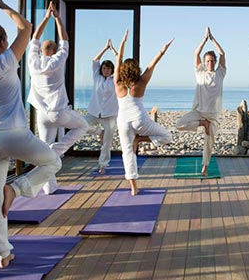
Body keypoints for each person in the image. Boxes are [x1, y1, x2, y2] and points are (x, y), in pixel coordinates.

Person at [0, 0, 61, 268]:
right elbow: (27, 27)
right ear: (2, 43)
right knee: (52, 162)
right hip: (15, 135)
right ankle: (17, 189)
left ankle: (2, 253)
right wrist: (2, 5)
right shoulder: (7, 60)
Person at [28, 1, 88, 194]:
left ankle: (49, 187)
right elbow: (65, 41)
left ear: (40, 51)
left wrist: (45, 18)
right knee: (83, 126)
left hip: (42, 114)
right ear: (53, 51)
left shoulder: (33, 62)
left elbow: (34, 38)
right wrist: (57, 19)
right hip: (59, 112)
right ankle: (55, 151)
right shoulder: (57, 61)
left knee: (44, 146)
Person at [115, 30, 173, 195]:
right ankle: (140, 139)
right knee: (167, 136)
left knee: (127, 153)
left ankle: (133, 187)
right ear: (135, 69)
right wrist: (163, 49)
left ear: (123, 70)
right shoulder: (141, 82)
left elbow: (118, 60)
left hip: (123, 122)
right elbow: (152, 64)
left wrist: (123, 42)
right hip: (140, 120)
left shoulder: (117, 82)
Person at [176, 27, 226, 175]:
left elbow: (222, 53)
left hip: (213, 115)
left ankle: (205, 167)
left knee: (208, 143)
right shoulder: (200, 73)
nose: (209, 63)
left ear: (215, 62)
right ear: (204, 62)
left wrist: (213, 39)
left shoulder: (220, 74)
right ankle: (201, 124)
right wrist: (204, 40)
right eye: (207, 61)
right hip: (198, 112)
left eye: (212, 61)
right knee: (179, 124)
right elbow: (196, 53)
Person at [85, 39, 119, 174]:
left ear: (112, 70)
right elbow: (95, 60)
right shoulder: (97, 77)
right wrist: (105, 48)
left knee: (107, 143)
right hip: (94, 112)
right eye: (104, 68)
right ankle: (99, 132)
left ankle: (103, 165)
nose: (106, 70)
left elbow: (120, 63)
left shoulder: (115, 80)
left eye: (108, 68)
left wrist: (114, 51)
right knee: (80, 125)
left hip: (109, 115)